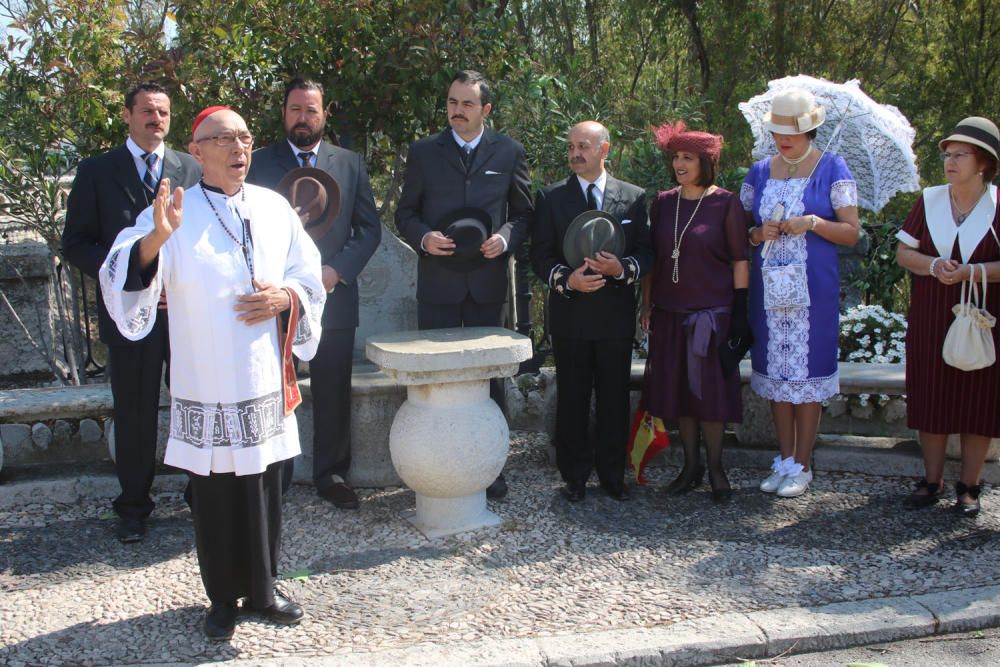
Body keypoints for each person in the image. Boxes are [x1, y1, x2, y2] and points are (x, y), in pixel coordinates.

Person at [98, 106, 325, 640]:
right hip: (206, 377)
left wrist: (284, 296)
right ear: (196, 151)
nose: (238, 148)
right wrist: (157, 237)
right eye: (223, 139)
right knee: (216, 490)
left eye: (244, 137)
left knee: (267, 483)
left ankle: (265, 591)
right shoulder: (176, 210)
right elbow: (123, 266)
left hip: (263, 374)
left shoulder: (273, 207)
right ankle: (223, 598)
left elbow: (307, 273)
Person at [62, 82, 201, 543]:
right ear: (127, 115)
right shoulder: (97, 171)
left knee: (194, 403)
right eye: (146, 111)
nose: (155, 119)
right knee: (136, 410)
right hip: (129, 314)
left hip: (185, 314)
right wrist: (131, 275)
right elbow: (76, 243)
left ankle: (200, 494)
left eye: (162, 112)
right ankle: (134, 506)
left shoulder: (193, 168)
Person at [395, 69, 533, 499]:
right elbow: (405, 212)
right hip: (438, 285)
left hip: (487, 286)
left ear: (485, 109)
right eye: (452, 102)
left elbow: (524, 214)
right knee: (432, 378)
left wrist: (506, 238)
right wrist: (422, 237)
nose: (457, 110)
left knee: (489, 378)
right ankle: (432, 464)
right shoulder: (423, 152)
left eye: (467, 104)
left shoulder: (509, 152)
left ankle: (490, 465)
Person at [248, 78, 381, 509]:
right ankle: (275, 475)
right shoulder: (256, 164)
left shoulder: (349, 163)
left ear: (324, 115)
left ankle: (332, 474)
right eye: (295, 110)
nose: (302, 118)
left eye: (311, 110)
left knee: (332, 388)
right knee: (274, 387)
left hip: (333, 297)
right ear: (283, 114)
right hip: (274, 298)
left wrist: (336, 271)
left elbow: (368, 229)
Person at [741, 89, 860, 498]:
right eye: (777, 132)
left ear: (809, 128)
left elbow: (850, 231)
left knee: (807, 374)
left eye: (790, 132)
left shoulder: (832, 168)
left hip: (814, 291)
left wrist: (812, 221)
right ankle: (785, 457)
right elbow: (742, 231)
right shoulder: (759, 172)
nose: (782, 139)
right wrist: (759, 233)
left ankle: (803, 464)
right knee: (776, 375)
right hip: (769, 291)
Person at [530, 121, 651, 502]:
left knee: (615, 398)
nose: (575, 154)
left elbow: (648, 252)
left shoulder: (633, 198)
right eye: (570, 147)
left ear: (605, 150)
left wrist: (622, 268)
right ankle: (575, 476)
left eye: (583, 146)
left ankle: (614, 476)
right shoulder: (550, 198)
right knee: (573, 398)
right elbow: (539, 255)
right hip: (570, 315)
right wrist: (568, 281)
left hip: (614, 316)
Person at [895, 116, 1000, 516]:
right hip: (931, 313)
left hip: (983, 316)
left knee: (979, 399)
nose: (950, 162)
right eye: (948, 155)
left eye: (961, 155)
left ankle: (970, 485)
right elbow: (905, 253)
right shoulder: (930, 200)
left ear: (984, 163)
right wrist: (934, 264)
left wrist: (974, 271)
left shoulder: (998, 205)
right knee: (932, 394)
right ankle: (931, 480)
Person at [640, 121, 749, 503]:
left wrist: (739, 312)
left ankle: (717, 469)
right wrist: (647, 303)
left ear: (705, 162)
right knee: (680, 395)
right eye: (675, 158)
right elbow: (654, 258)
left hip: (710, 316)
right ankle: (690, 467)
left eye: (688, 157)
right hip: (670, 313)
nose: (680, 164)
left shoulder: (726, 202)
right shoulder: (664, 201)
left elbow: (740, 259)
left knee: (710, 398)